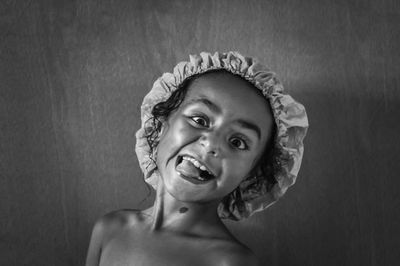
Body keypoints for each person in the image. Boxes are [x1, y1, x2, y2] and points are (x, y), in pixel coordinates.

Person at [85, 51, 308, 266]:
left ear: (252, 173)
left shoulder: (230, 261)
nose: (211, 143)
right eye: (199, 120)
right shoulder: (109, 229)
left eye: (238, 142)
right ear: (161, 122)